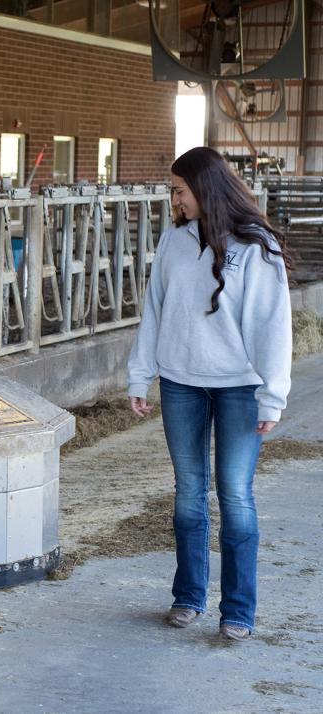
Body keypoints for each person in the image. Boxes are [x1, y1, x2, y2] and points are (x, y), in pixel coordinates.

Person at [126, 146, 292, 642]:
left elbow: (271, 325)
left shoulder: (256, 245)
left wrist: (273, 396)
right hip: (181, 382)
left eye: (179, 190)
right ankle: (188, 596)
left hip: (240, 387)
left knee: (235, 495)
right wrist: (140, 375)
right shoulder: (174, 239)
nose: (174, 199)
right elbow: (155, 309)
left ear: (204, 188)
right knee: (188, 494)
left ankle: (237, 609)